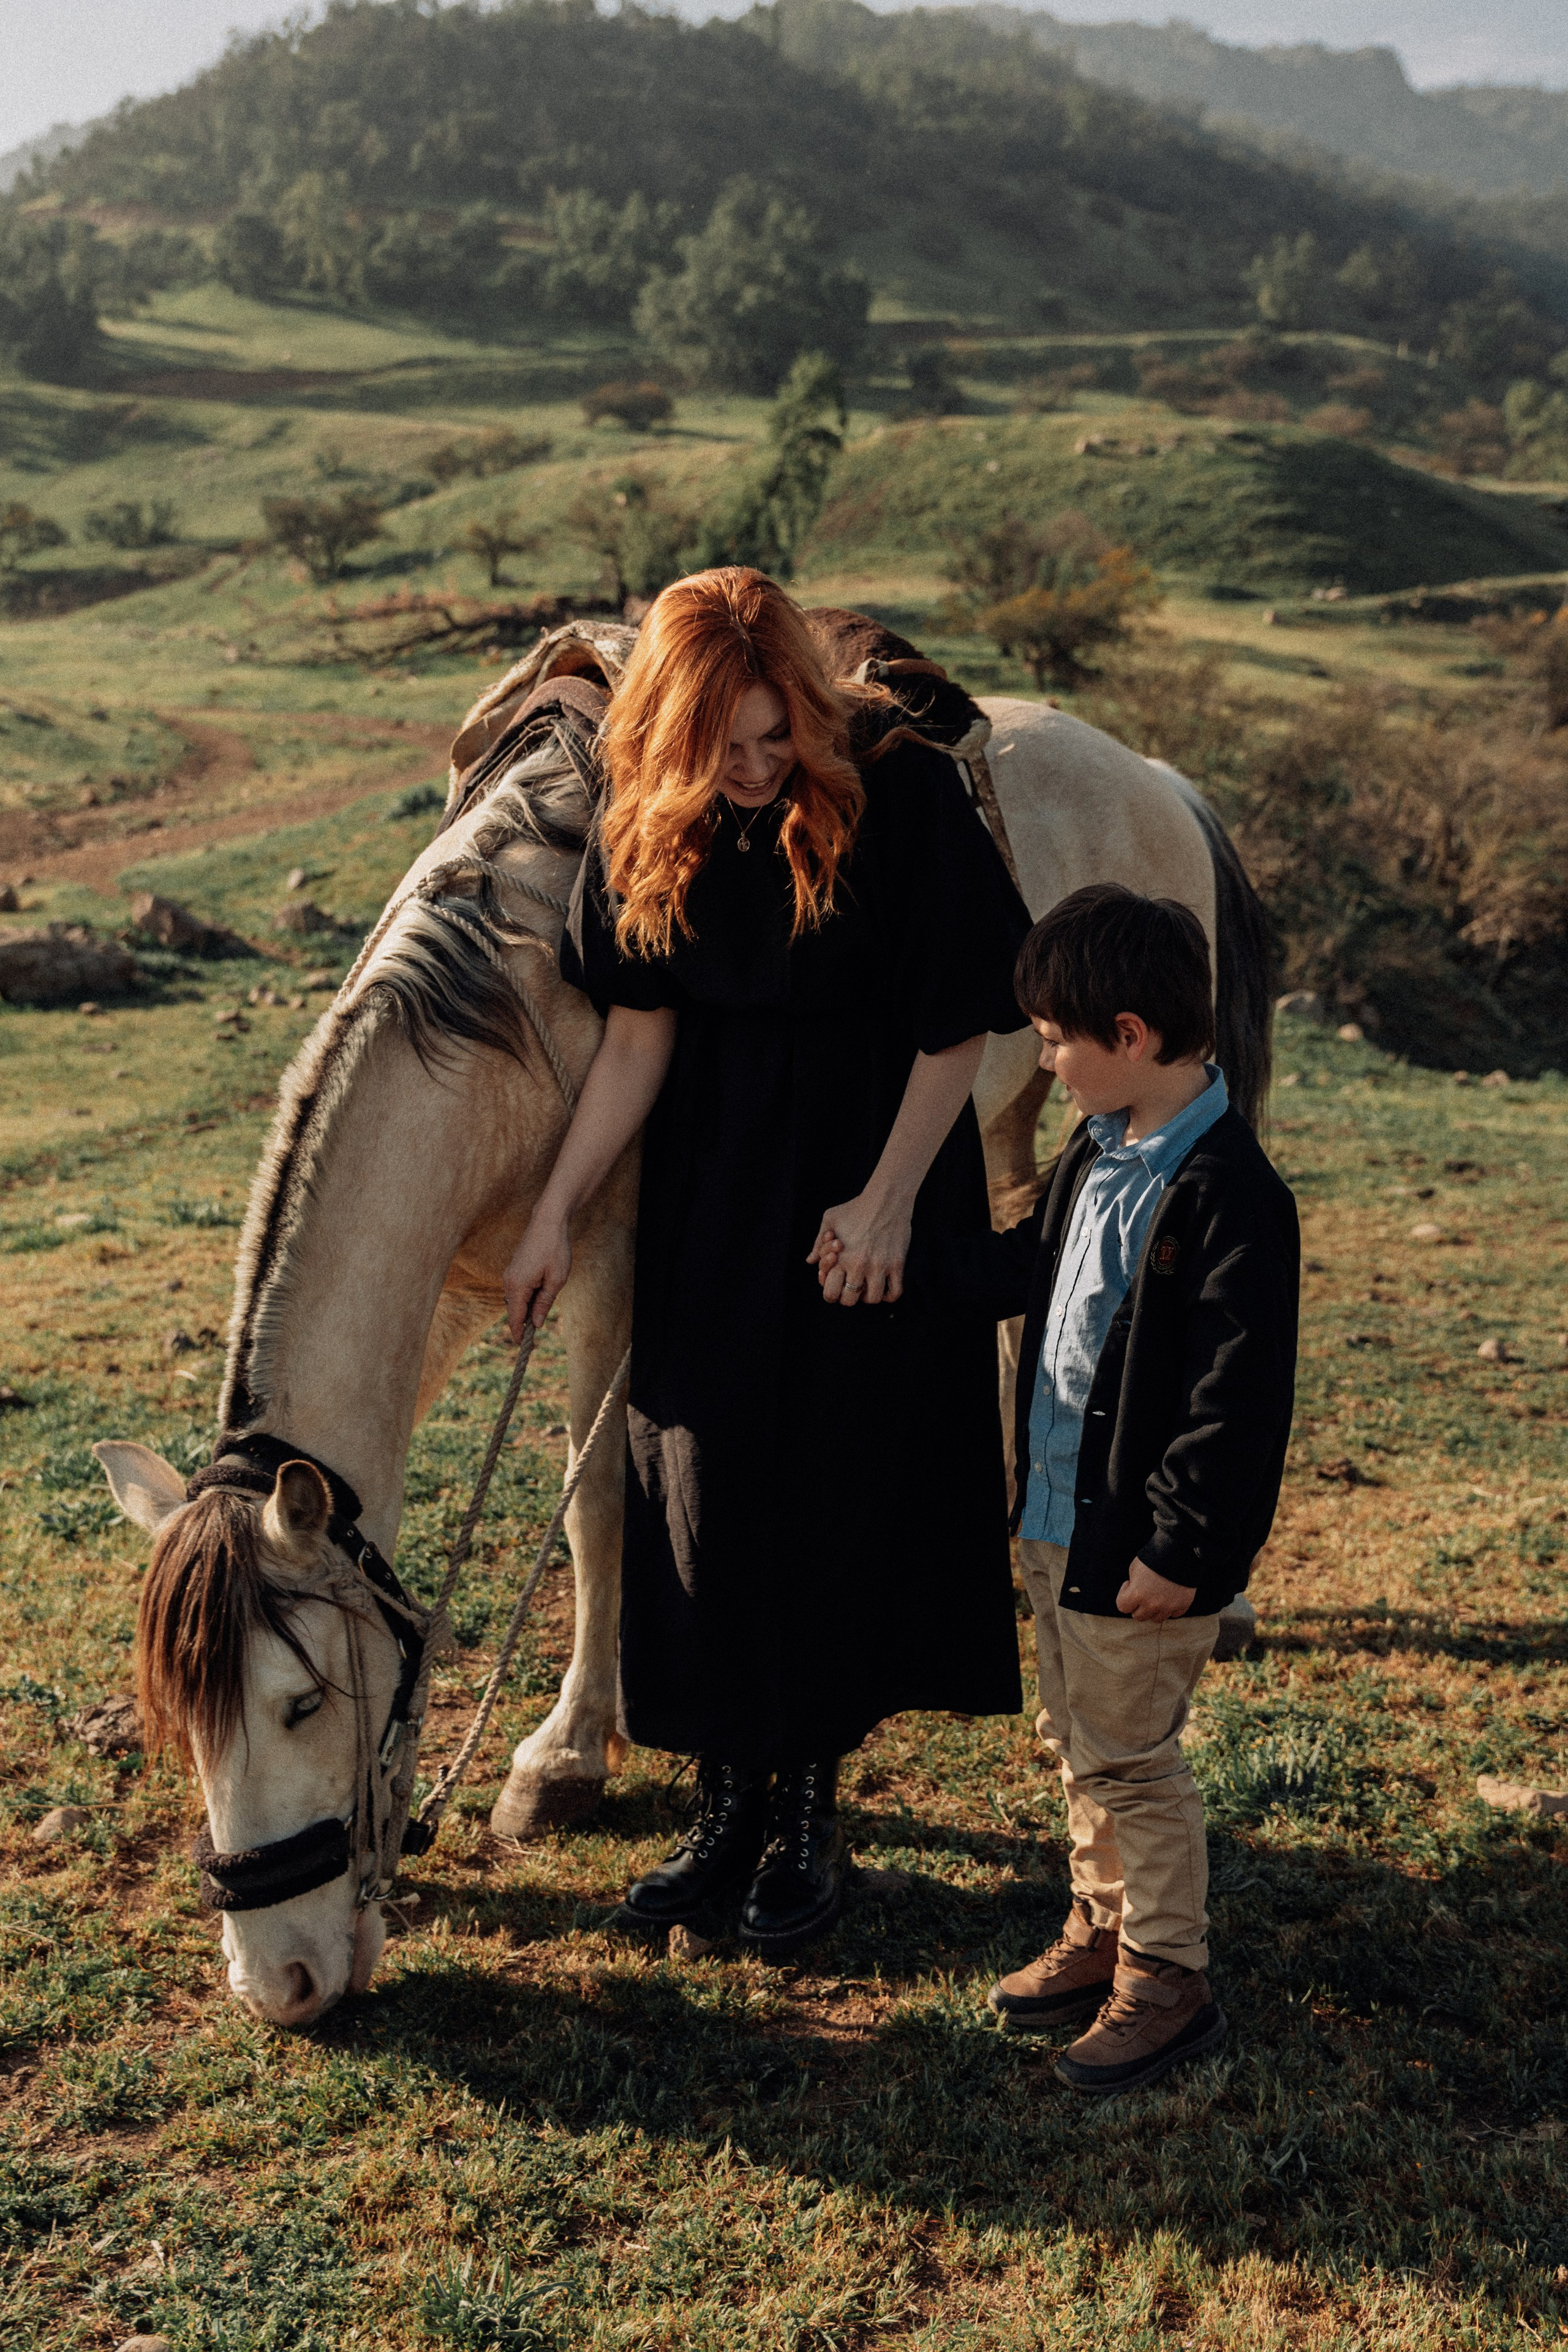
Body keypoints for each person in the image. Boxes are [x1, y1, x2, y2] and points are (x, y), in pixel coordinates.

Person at [502, 568, 1031, 1958]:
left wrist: (888, 1204)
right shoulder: (651, 818)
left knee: (830, 1479)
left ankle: (806, 1814)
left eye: (772, 739)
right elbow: (636, 1033)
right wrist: (556, 1209)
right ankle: (722, 1803)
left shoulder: (895, 790)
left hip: (871, 1166)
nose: (750, 770)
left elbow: (953, 1026)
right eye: (719, 748)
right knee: (702, 1477)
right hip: (717, 1186)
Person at [945, 883, 1298, 2092]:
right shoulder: (1093, 1152)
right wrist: (894, 1262)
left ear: (1130, 1036)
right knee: (1079, 1741)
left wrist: (1182, 1548)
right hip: (1057, 1521)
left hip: (1141, 1553)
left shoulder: (1229, 1196)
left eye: (1054, 1039)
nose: (1041, 1059)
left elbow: (1232, 1401)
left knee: (1130, 1761)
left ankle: (1166, 1978)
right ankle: (1102, 1928)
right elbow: (1023, 1274)